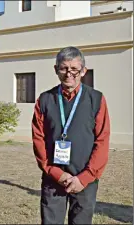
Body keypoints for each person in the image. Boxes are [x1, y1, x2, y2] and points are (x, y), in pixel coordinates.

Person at [32, 46, 110, 224]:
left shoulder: (96, 99)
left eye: (74, 69)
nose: (69, 74)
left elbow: (102, 140)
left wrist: (84, 178)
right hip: (54, 178)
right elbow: (38, 139)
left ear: (84, 71)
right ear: (56, 70)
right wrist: (55, 173)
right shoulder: (44, 99)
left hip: (84, 180)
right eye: (64, 68)